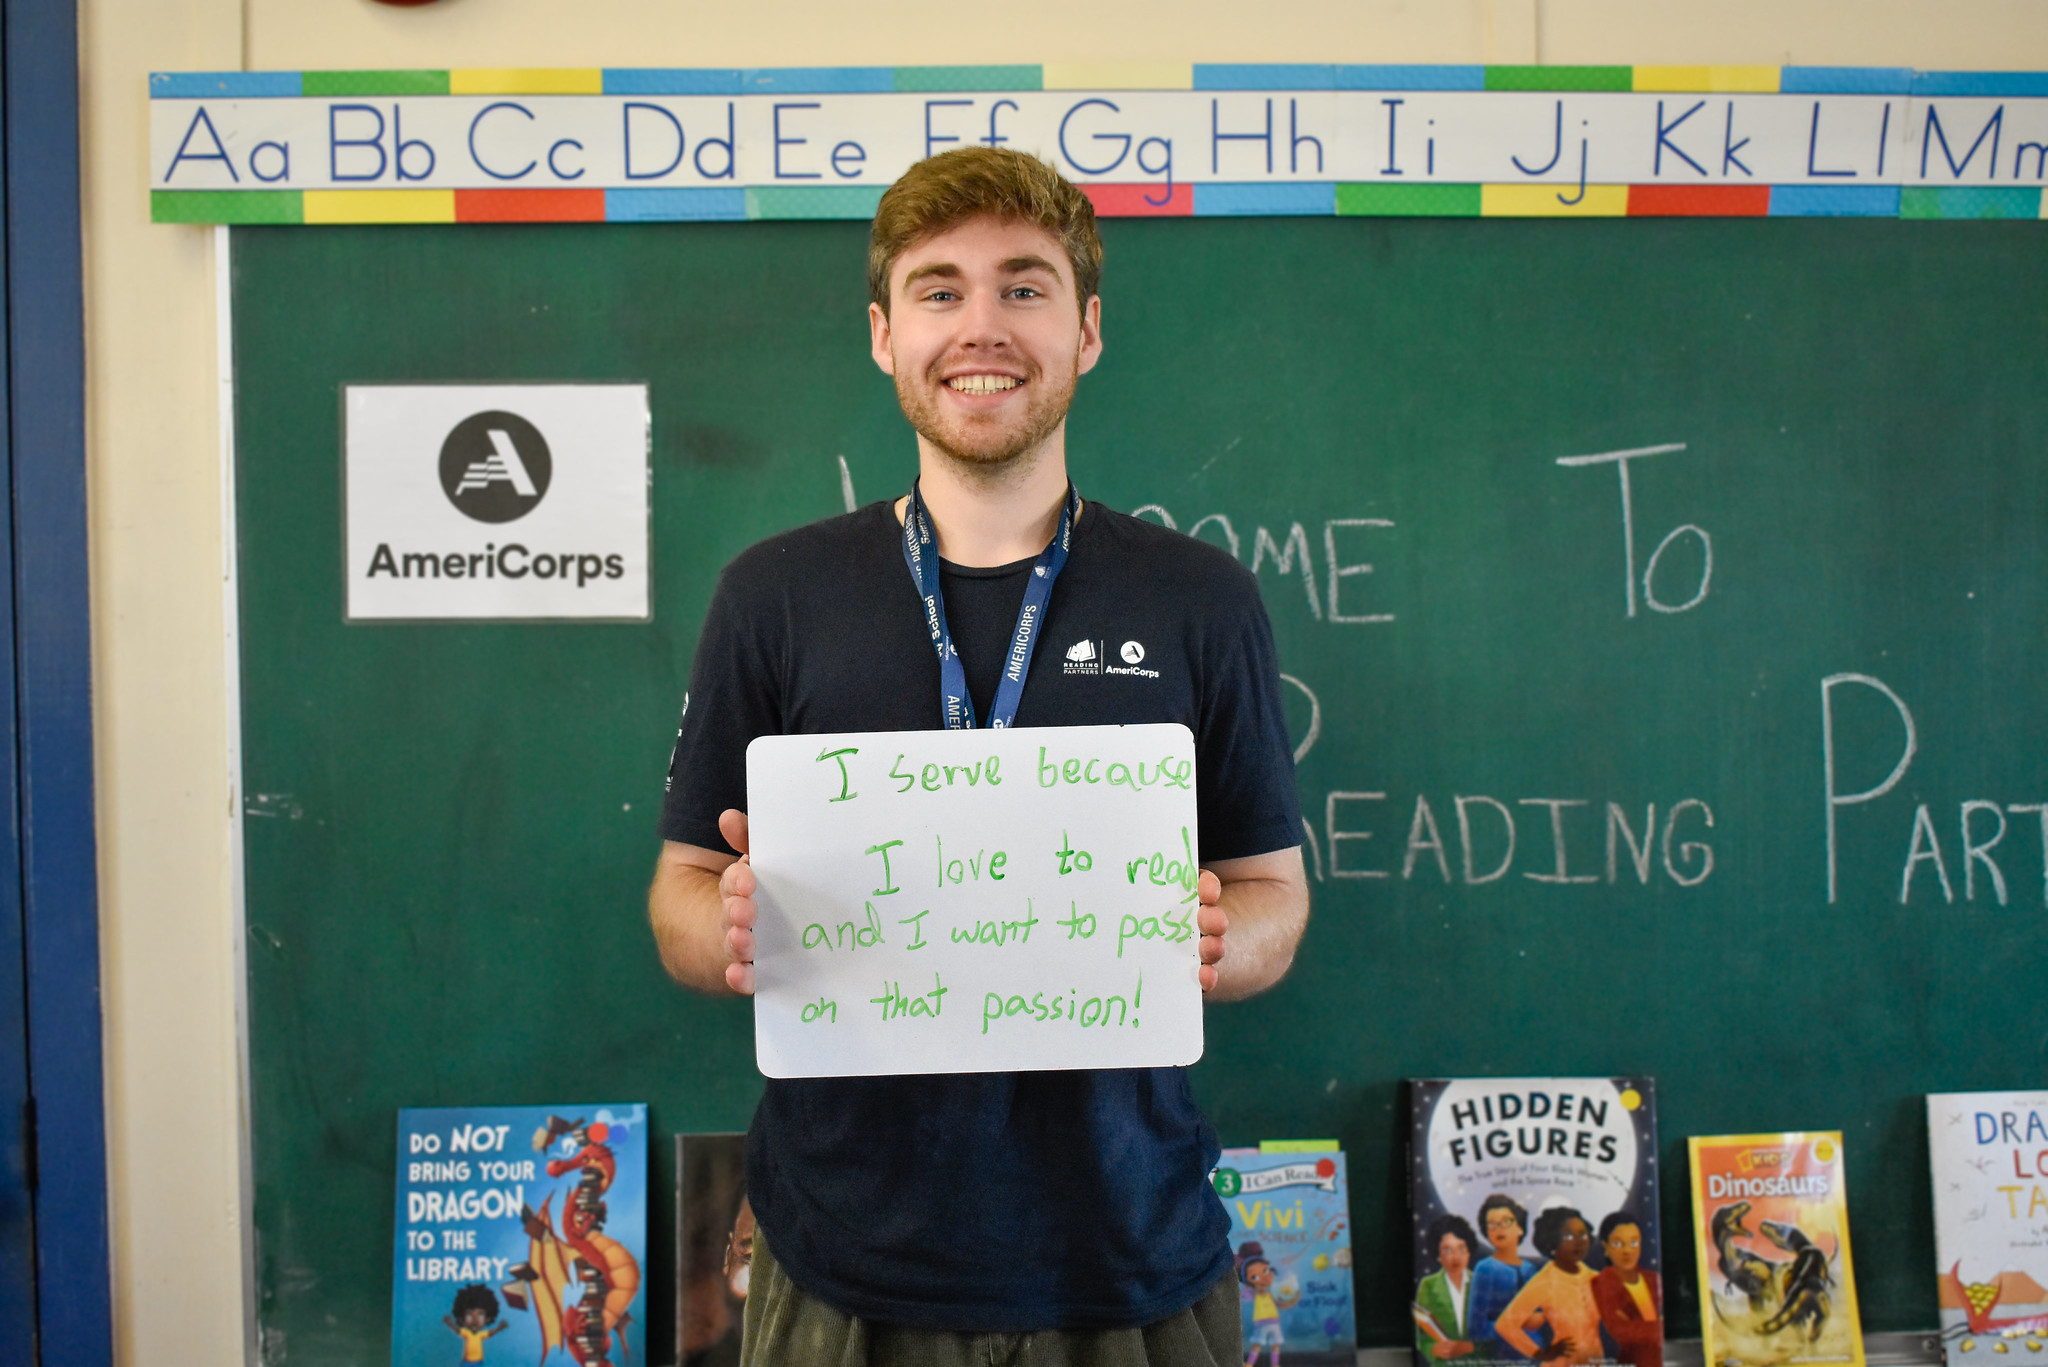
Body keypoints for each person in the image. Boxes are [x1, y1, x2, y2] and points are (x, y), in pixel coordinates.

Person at [646, 145, 1311, 1366]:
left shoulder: (1198, 599)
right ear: (882, 334)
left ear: (1087, 328)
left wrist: (1229, 939)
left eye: (1024, 284)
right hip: (844, 1267)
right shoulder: (774, 594)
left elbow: (1274, 896)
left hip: (1130, 1255)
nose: (981, 325)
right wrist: (726, 922)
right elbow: (679, 895)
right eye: (938, 290)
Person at [1496, 1208, 1602, 1366]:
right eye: (1568, 1236)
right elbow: (1505, 1324)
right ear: (1552, 1240)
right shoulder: (1545, 1282)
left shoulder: (1595, 1278)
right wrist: (1541, 1353)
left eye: (1583, 1234)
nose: (1578, 1241)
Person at [1469, 1195, 1540, 1359]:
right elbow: (1476, 1330)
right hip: (1505, 1357)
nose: (1499, 1228)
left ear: (1520, 1228)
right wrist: (1514, 1324)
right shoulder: (1485, 1269)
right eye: (1492, 1224)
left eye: (1506, 1221)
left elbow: (1541, 1317)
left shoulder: (1530, 1270)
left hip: (1537, 1356)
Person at [1590, 1212, 1661, 1367]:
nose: (1628, 1251)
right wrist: (1659, 1326)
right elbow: (1622, 1331)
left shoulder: (1654, 1279)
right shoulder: (1602, 1283)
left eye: (1634, 1243)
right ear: (1605, 1247)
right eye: (1618, 1244)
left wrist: (1642, 1326)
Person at [1414, 1214, 1480, 1361]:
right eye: (1447, 1250)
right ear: (1439, 1256)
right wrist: (1433, 1349)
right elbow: (1420, 1336)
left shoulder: (1482, 1283)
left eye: (1461, 1248)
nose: (1456, 1256)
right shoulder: (1428, 1286)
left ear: (1469, 1252)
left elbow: (1495, 1336)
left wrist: (1469, 1347)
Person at [1238, 1242, 1299, 1367]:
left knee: (1275, 1345)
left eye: (1265, 1270)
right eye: (1254, 1277)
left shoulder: (1271, 1295)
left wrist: (1293, 1301)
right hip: (1261, 1323)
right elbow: (1244, 1296)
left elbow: (1280, 1305)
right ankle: (1249, 1364)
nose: (1263, 1278)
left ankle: (1275, 1364)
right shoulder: (1254, 1294)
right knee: (1257, 1344)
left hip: (1274, 1322)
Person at [443, 1284, 508, 1364]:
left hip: (478, 1362)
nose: (475, 1321)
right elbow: (458, 1330)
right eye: (469, 1317)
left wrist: (499, 1328)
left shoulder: (481, 1334)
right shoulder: (467, 1333)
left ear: (487, 1319)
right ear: (462, 1319)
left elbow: (490, 1333)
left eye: (480, 1316)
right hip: (467, 1362)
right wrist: (450, 1324)